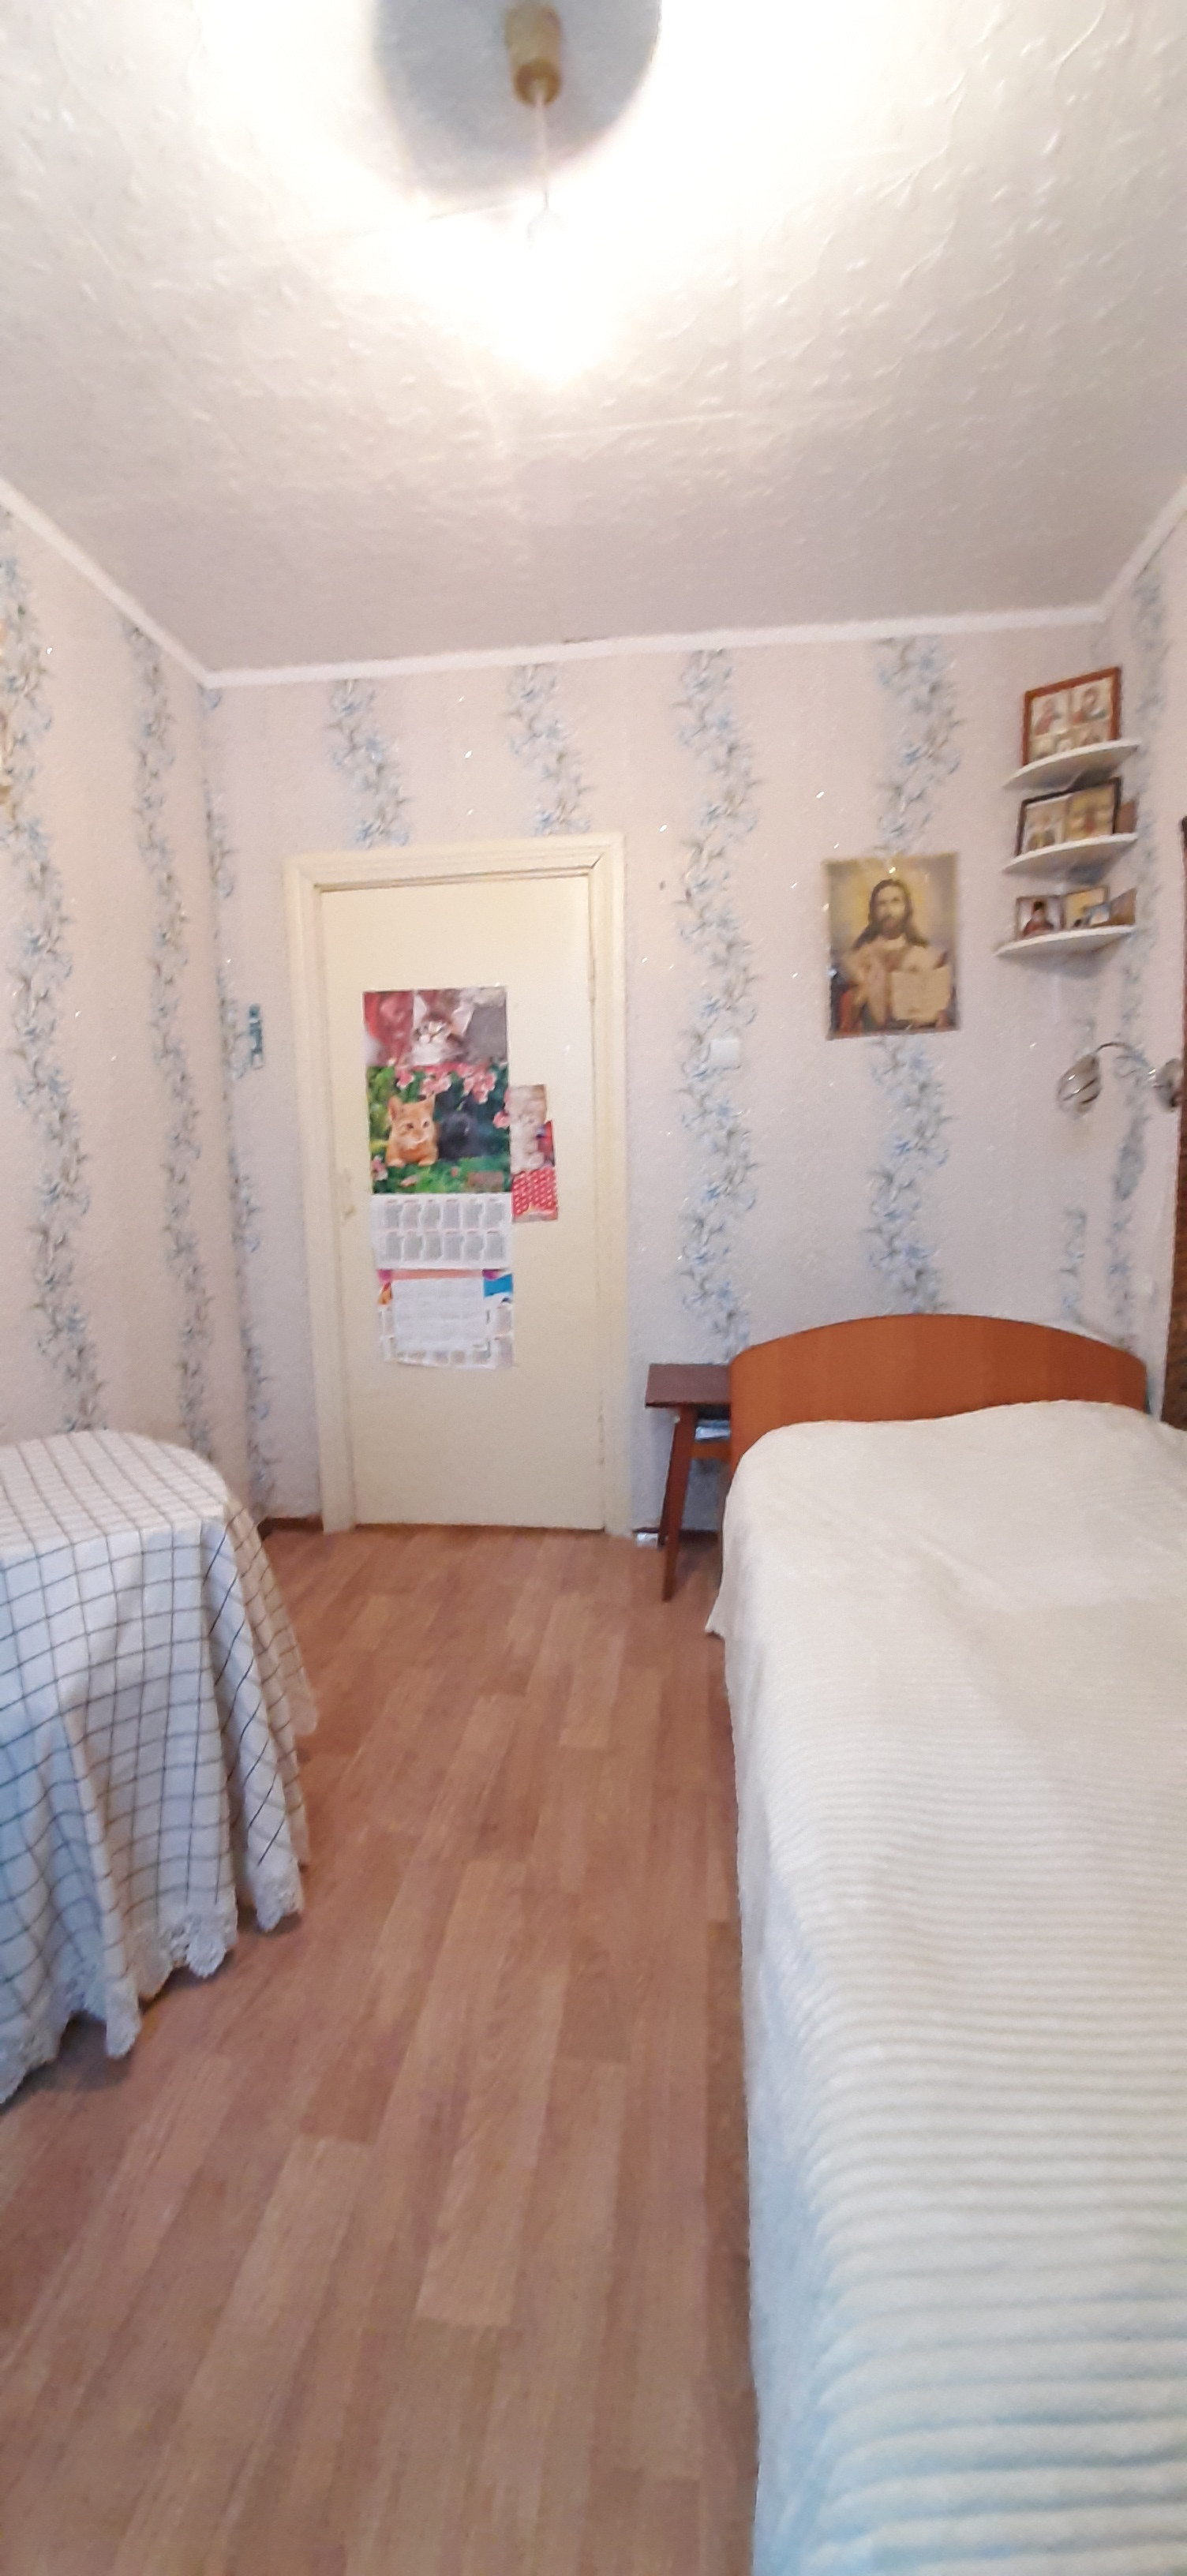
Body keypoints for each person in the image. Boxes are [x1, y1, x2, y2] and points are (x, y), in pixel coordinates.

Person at [835, 878, 950, 1032]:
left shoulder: (927, 958)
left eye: (896, 902)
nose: (889, 910)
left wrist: (930, 1016)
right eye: (882, 904)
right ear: (873, 911)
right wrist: (860, 995)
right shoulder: (856, 960)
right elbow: (844, 1023)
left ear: (907, 908)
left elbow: (942, 1019)